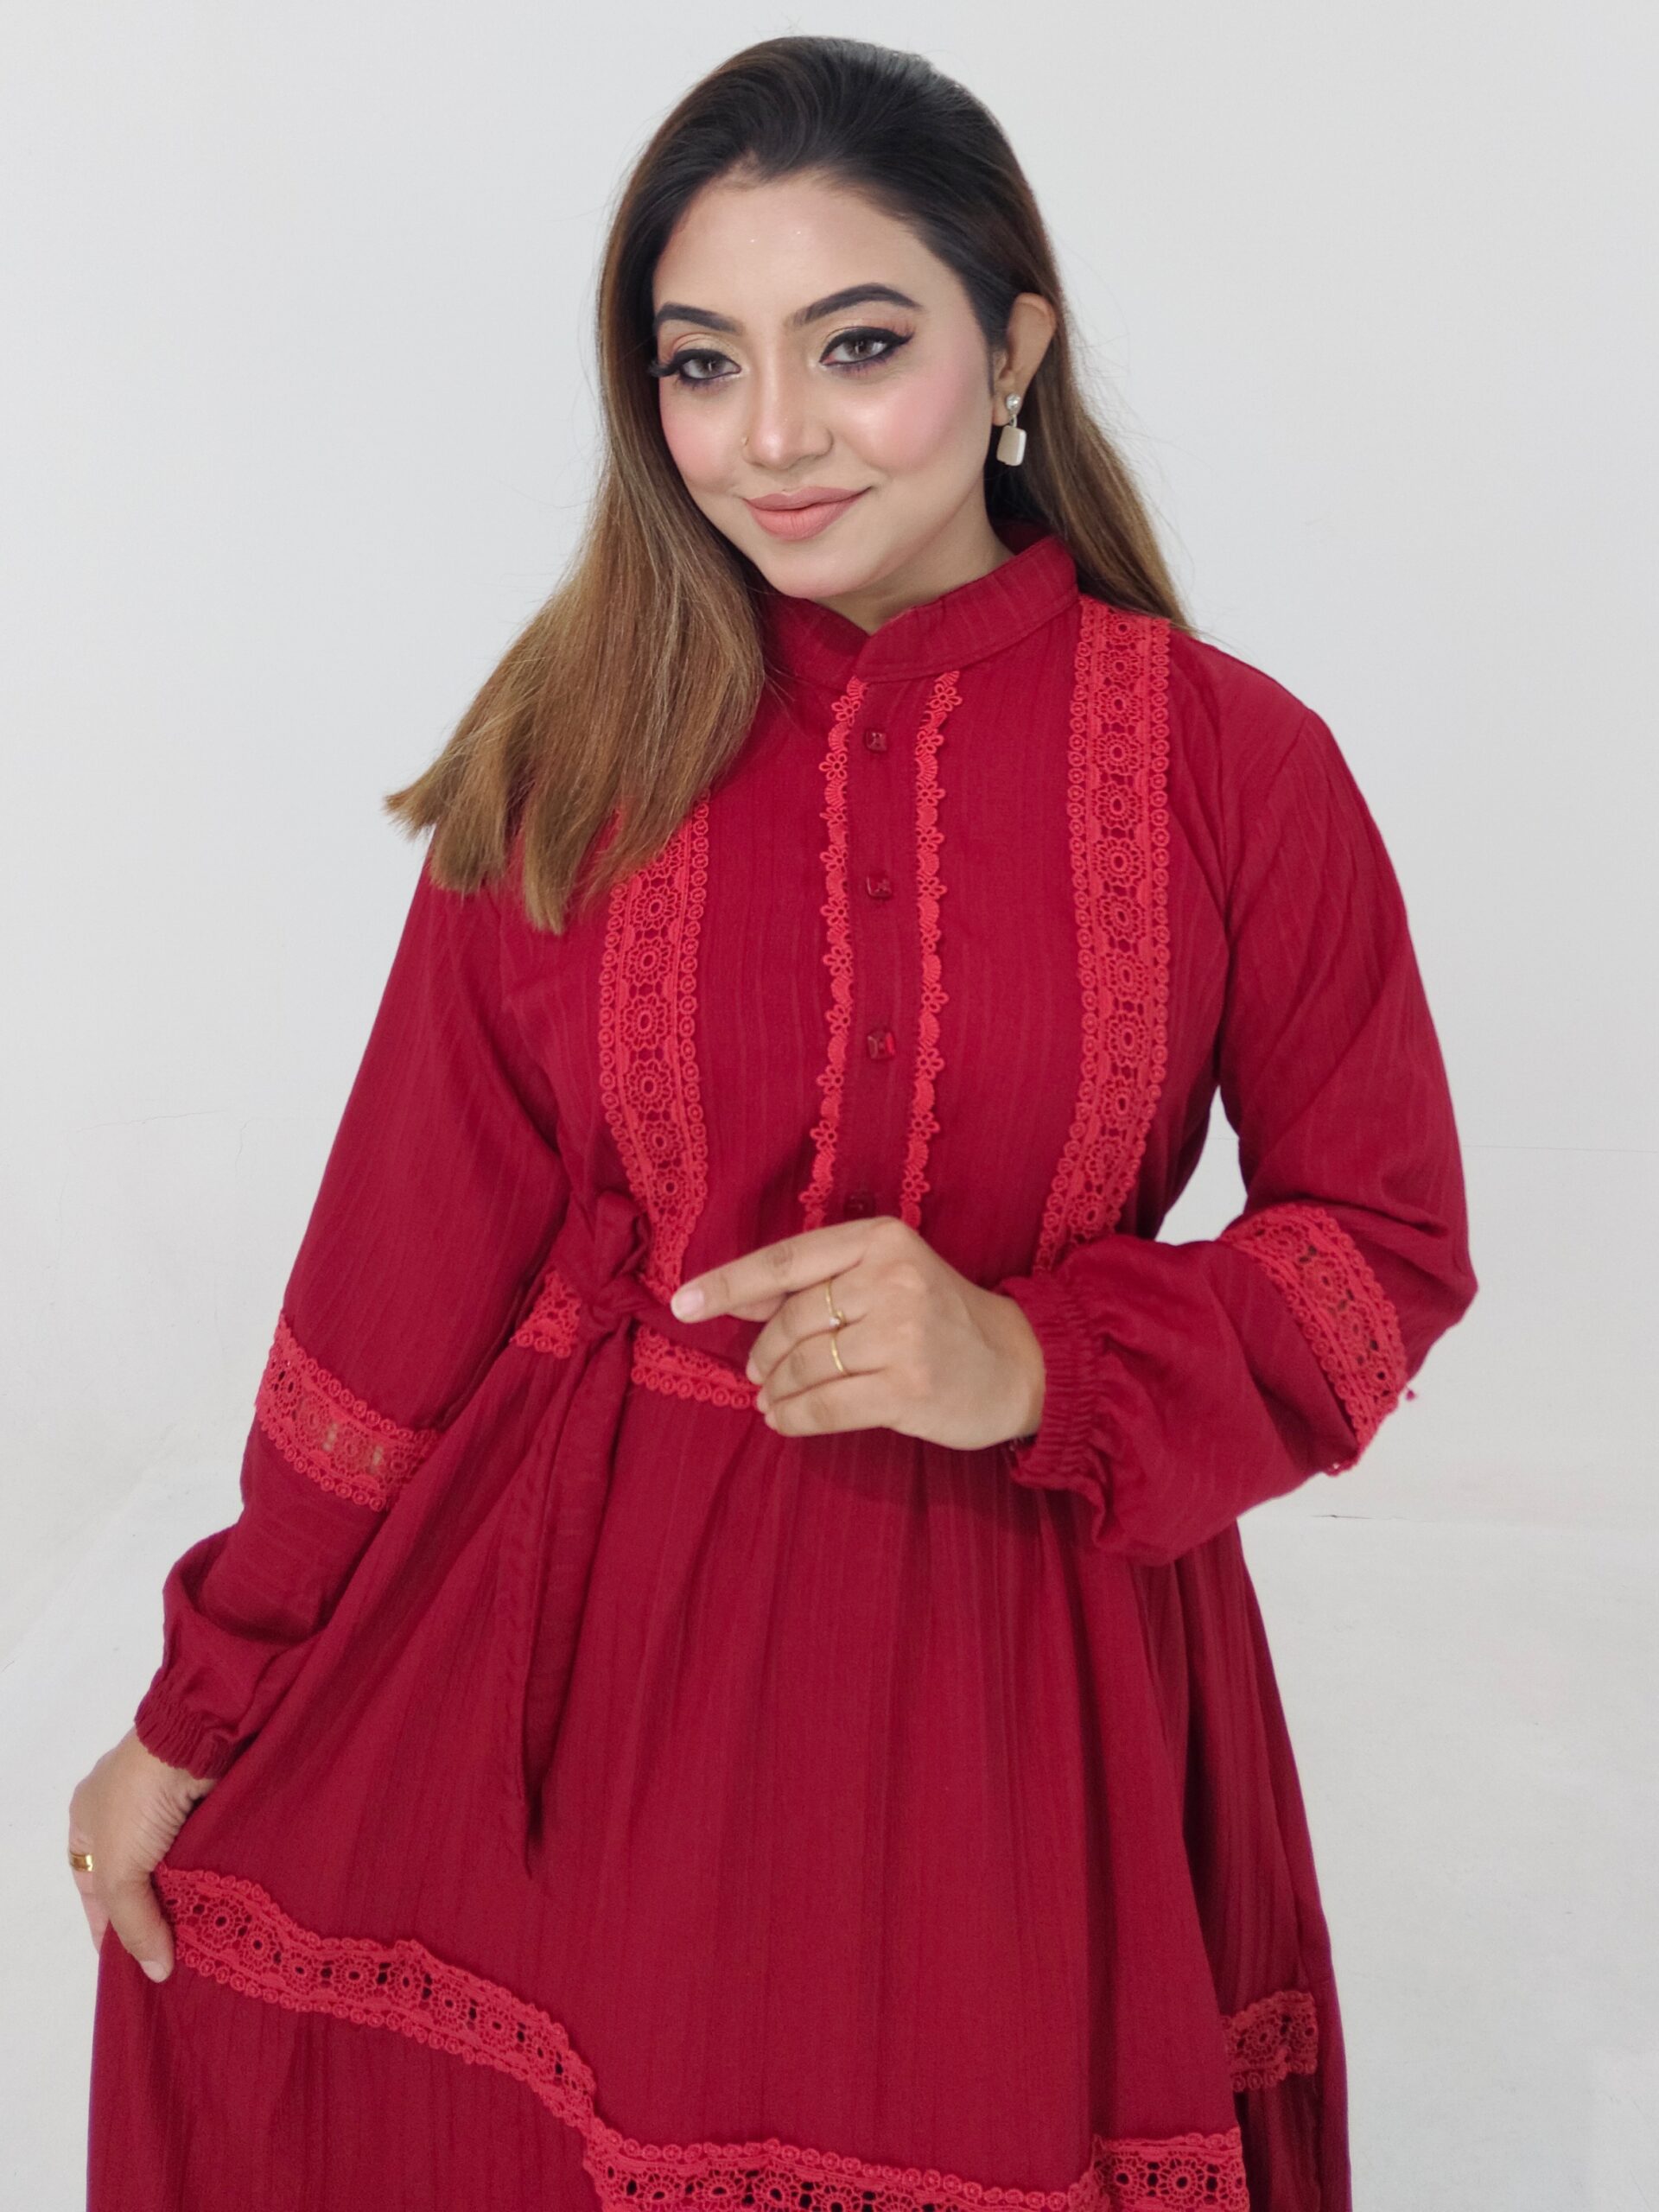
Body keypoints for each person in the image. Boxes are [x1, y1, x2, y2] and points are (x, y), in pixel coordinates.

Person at [72, 33, 1477, 2212]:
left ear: (1015, 346)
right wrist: (200, 1707)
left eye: (860, 344)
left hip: (1029, 1691)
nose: (775, 436)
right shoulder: (578, 749)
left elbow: (1382, 1245)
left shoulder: (1232, 764)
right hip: (586, 1712)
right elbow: (393, 1278)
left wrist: (1031, 1355)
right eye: (702, 363)